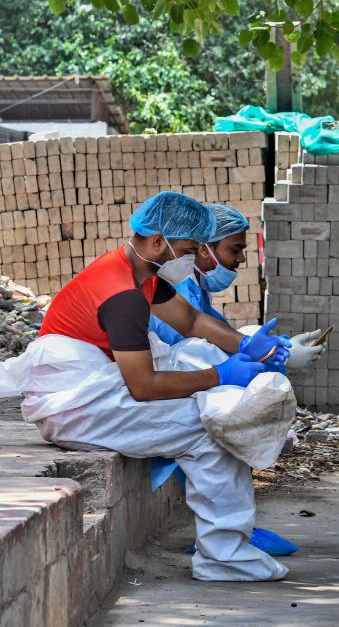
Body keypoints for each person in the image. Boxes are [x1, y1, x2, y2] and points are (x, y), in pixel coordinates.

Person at [0, 191, 295, 582]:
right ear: (159, 242)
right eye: (189, 250)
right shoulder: (122, 295)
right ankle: (224, 557)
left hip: (88, 390)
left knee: (199, 366)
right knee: (214, 429)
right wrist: (223, 376)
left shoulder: (137, 273)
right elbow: (144, 385)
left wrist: (243, 345)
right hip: (76, 407)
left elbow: (190, 321)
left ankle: (225, 551)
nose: (192, 260)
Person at [149, 203, 329, 368]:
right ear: (204, 250)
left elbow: (224, 334)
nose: (241, 258)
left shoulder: (196, 292)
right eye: (235, 250)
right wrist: (279, 355)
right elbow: (200, 354)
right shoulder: (181, 292)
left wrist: (279, 346)